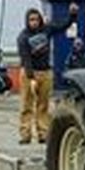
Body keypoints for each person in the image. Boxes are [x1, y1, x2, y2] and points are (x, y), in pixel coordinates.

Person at [16, 8, 53, 144]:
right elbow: (25, 58)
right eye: (31, 20)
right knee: (27, 105)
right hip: (29, 73)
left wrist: (72, 16)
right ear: (27, 21)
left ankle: (43, 133)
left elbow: (61, 26)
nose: (34, 22)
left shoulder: (46, 30)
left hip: (46, 72)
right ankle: (25, 134)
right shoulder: (23, 37)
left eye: (36, 19)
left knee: (43, 105)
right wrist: (31, 78)